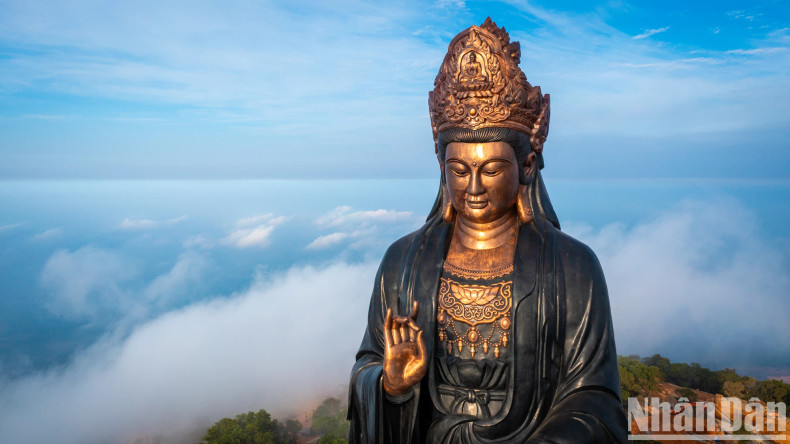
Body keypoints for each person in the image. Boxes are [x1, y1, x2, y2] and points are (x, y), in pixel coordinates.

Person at [347, 18, 627, 443]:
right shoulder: (401, 263)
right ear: (442, 169)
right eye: (459, 170)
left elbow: (595, 402)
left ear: (526, 165)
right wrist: (391, 385)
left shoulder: (572, 267)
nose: (474, 188)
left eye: (492, 169)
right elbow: (368, 364)